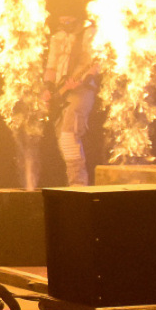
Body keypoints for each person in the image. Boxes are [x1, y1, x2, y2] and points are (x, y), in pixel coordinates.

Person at [42, 11, 99, 187]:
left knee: (69, 135)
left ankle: (78, 184)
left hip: (82, 91)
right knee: (63, 140)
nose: (64, 22)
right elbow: (51, 68)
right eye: (62, 19)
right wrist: (48, 88)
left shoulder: (90, 34)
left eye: (68, 18)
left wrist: (86, 79)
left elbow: (98, 61)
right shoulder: (57, 38)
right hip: (61, 93)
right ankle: (74, 183)